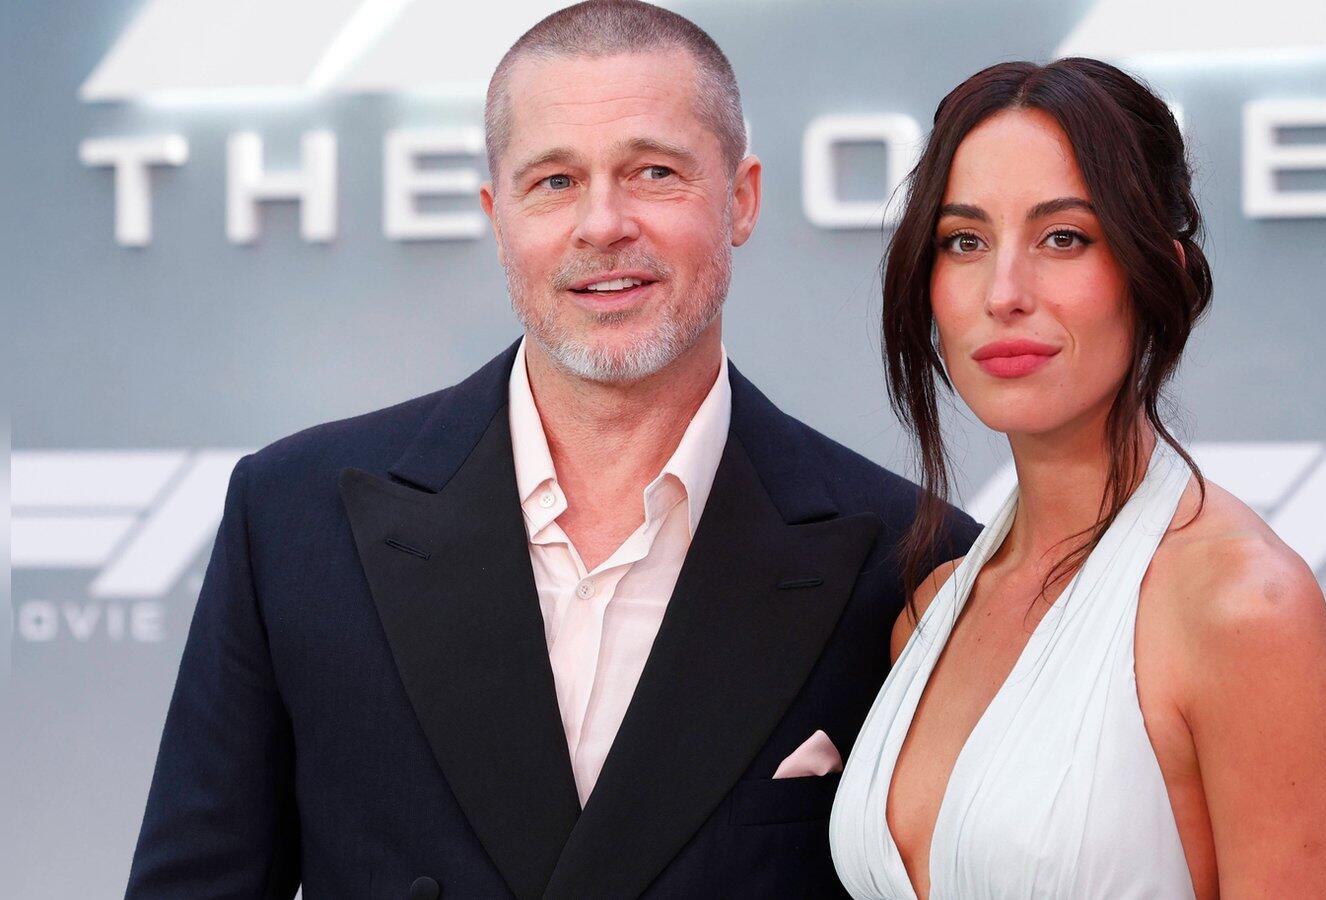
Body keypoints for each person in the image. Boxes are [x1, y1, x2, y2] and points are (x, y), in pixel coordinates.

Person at [123, 2, 977, 898]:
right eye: (555, 181)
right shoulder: (294, 520)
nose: (603, 224)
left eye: (654, 172)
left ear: (741, 199)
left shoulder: (913, 561)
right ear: (498, 217)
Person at [830, 58, 1326, 898]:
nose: (1004, 293)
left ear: (1159, 272)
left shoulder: (1243, 608)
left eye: (1064, 238)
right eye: (965, 242)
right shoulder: (930, 612)